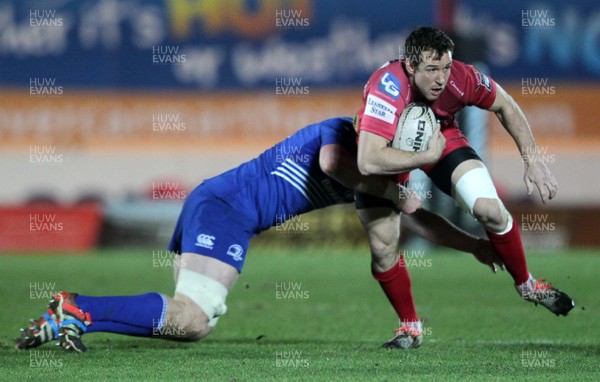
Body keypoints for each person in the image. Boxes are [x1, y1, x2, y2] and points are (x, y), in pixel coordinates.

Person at [16, 117, 502, 352]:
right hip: (224, 208)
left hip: (222, 209)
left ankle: (73, 317)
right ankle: (78, 307)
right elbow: (333, 164)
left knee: (193, 325)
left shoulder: (378, 173)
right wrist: (396, 191)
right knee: (191, 317)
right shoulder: (344, 134)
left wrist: (474, 244)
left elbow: (418, 220)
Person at [354, 26, 574, 349]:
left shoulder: (461, 76)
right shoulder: (387, 86)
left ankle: (527, 285)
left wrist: (532, 159)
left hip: (441, 141)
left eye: (445, 67)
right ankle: (411, 328)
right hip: (388, 151)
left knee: (490, 209)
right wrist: (419, 158)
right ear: (410, 66)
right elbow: (368, 160)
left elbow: (506, 106)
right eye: (431, 70)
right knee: (383, 245)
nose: (441, 78)